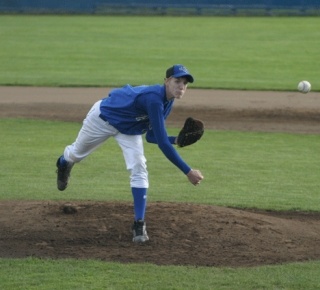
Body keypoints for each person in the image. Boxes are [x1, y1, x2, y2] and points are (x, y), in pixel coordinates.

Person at [56, 64, 204, 243]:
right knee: (75, 155)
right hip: (103, 119)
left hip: (129, 130)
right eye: (177, 81)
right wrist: (188, 171)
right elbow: (162, 144)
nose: (181, 86)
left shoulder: (168, 101)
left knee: (139, 167)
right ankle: (64, 163)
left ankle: (139, 224)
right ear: (166, 81)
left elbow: (151, 136)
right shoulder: (154, 99)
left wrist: (177, 141)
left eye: (185, 83)